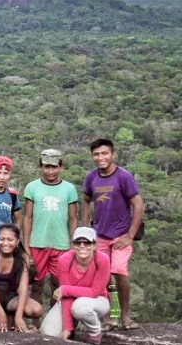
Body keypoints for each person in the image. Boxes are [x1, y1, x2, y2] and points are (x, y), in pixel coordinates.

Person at [81, 138, 143, 331]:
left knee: (119, 271)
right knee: (103, 276)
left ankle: (125, 316)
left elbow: (138, 205)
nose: (101, 158)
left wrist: (130, 236)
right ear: (92, 156)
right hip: (99, 235)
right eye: (97, 154)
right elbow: (85, 200)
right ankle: (108, 317)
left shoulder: (123, 176)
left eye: (105, 153)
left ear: (113, 154)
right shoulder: (91, 177)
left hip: (120, 235)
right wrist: (86, 229)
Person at [22, 149, 79, 308]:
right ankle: (35, 322)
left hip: (61, 244)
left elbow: (73, 217)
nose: (50, 171)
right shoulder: (32, 187)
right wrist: (26, 245)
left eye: (54, 167)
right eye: (47, 167)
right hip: (37, 242)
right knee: (37, 284)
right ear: (40, 166)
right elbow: (28, 216)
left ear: (61, 167)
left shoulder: (69, 189)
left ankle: (55, 319)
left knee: (58, 284)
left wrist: (72, 243)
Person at [39, 227, 111, 344]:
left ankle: (95, 332)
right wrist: (67, 328)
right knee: (48, 332)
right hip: (70, 301)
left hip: (97, 301)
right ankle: (72, 328)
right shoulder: (65, 260)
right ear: (73, 245)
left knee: (80, 307)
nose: (82, 245)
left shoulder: (102, 260)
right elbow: (66, 296)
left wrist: (65, 289)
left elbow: (94, 292)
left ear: (94, 245)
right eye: (78, 242)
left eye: (87, 242)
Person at [0, 224, 44, 332]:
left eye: (10, 240)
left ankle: (11, 315)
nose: (5, 243)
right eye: (1, 239)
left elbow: (23, 287)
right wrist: (0, 313)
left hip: (10, 296)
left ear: (17, 242)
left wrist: (19, 316)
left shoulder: (23, 257)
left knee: (36, 310)